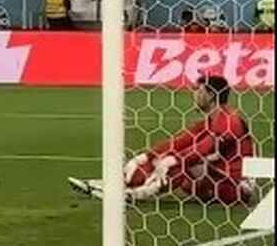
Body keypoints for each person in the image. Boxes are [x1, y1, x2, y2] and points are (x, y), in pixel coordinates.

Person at [69, 76, 257, 206]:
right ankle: (114, 184)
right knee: (169, 157)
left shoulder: (229, 119)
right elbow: (181, 141)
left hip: (235, 187)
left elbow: (205, 148)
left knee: (181, 163)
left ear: (209, 94)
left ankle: (133, 195)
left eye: (197, 90)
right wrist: (144, 157)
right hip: (212, 182)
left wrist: (173, 160)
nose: (194, 94)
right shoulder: (210, 120)